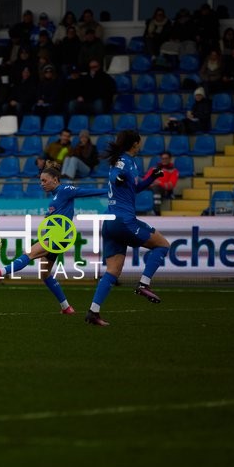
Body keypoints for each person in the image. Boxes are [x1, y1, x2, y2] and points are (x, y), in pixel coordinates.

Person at [0, 167, 107, 314]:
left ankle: (1, 271)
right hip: (54, 236)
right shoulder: (55, 196)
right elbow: (58, 212)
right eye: (40, 181)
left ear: (55, 180)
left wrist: (109, 191)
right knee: (45, 274)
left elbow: (85, 192)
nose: (42, 184)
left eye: (44, 181)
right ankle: (66, 307)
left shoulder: (64, 190)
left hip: (58, 236)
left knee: (29, 253)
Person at [85, 130, 171, 326]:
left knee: (113, 270)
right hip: (123, 220)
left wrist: (151, 177)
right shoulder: (123, 161)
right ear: (134, 144)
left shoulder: (130, 162)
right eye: (139, 142)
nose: (140, 145)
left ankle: (93, 312)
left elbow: (134, 188)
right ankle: (144, 284)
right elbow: (115, 175)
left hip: (110, 222)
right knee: (163, 245)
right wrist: (117, 179)